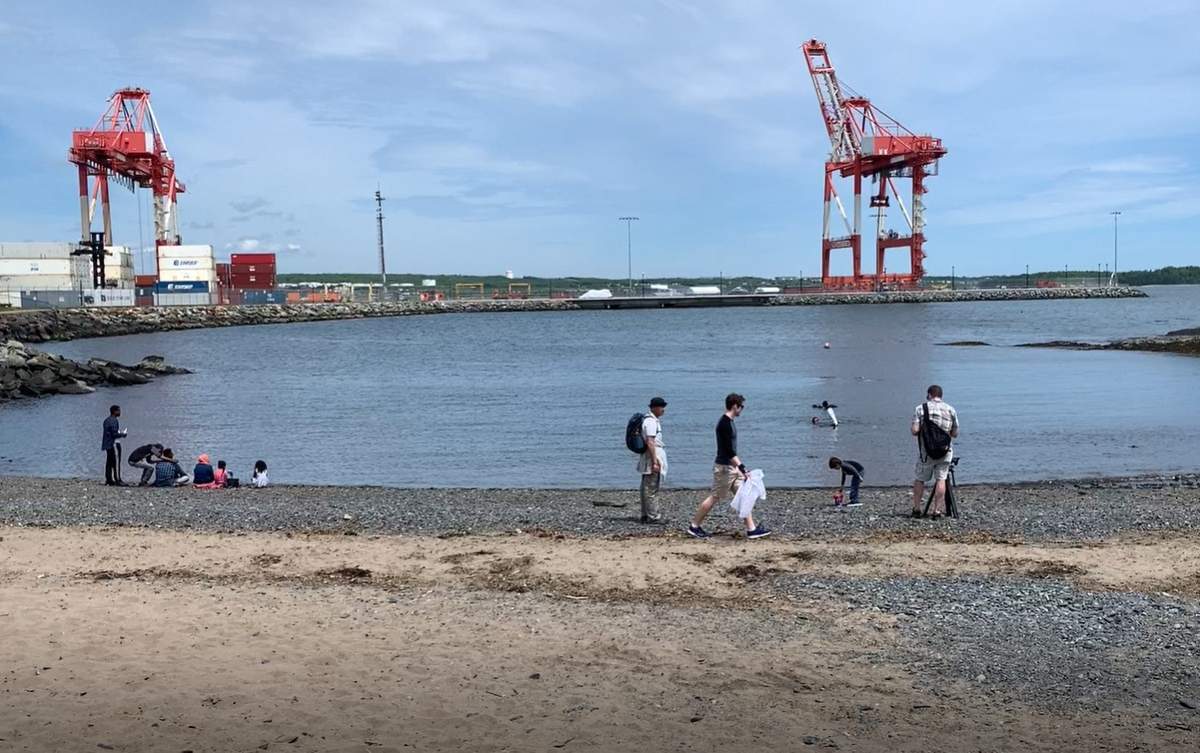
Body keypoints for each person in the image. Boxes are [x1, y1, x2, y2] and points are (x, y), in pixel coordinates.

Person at [687, 393, 771, 540]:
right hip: (725, 468)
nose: (742, 410)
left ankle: (751, 529)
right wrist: (743, 467)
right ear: (734, 406)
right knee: (715, 497)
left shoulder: (729, 422)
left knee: (744, 496)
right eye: (741, 407)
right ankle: (694, 526)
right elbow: (728, 451)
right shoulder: (724, 424)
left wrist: (739, 469)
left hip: (732, 468)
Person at [911, 384, 959, 519]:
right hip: (945, 451)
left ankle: (917, 508)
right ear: (941, 395)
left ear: (929, 394)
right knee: (941, 479)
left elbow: (915, 430)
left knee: (920, 479)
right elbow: (955, 433)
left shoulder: (921, 408)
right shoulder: (950, 409)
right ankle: (937, 510)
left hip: (926, 451)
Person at [636, 397, 669, 524]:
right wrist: (655, 461)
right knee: (651, 487)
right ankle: (653, 516)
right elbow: (650, 442)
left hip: (649, 456)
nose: (663, 410)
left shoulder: (649, 420)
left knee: (646, 486)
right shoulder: (650, 422)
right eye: (661, 407)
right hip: (652, 456)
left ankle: (645, 514)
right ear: (654, 408)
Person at [101, 405, 128, 486]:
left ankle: (109, 479)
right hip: (113, 444)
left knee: (109, 462)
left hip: (107, 444)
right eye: (119, 411)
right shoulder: (114, 420)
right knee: (116, 462)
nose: (120, 412)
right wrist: (123, 434)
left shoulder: (106, 420)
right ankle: (118, 479)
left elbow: (109, 432)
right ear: (115, 411)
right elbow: (114, 434)